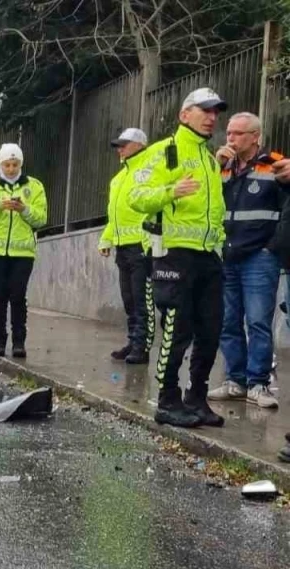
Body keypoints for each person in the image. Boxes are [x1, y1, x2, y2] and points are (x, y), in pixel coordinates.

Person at [128, 87, 228, 428]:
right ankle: (167, 400)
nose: (212, 117)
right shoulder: (165, 152)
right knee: (177, 327)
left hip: (208, 257)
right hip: (173, 254)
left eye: (216, 112)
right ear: (185, 114)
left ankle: (196, 398)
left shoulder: (211, 159)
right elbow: (136, 196)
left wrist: (219, 245)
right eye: (205, 110)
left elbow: (216, 211)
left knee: (211, 329)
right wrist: (171, 191)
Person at [206, 112, 287, 410]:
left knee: (257, 322)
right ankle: (235, 381)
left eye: (239, 133)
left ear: (255, 137)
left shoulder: (274, 163)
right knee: (228, 321)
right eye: (228, 133)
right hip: (227, 256)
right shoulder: (222, 169)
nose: (231, 138)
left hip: (259, 257)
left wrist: (271, 247)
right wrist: (216, 168)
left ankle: (258, 383)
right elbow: (204, 199)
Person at [0, 143, 49, 358]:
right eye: (7, 164)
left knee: (18, 295)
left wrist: (24, 209)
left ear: (21, 164)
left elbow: (41, 218)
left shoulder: (34, 187)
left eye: (15, 164)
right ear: (0, 164)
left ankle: (19, 342)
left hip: (22, 252)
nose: (11, 169)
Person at [99, 128, 153, 364]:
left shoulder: (150, 170)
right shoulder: (118, 178)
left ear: (140, 145)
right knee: (129, 298)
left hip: (142, 244)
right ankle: (133, 341)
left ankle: (142, 346)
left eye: (124, 144)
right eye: (118, 145)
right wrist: (106, 238)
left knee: (142, 300)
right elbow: (114, 214)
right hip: (123, 246)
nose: (119, 149)